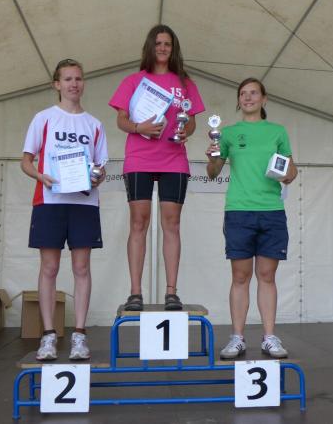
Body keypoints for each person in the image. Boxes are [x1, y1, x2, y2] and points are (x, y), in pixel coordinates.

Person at [109, 24, 205, 311]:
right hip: (139, 157)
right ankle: (135, 293)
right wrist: (139, 127)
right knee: (138, 223)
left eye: (167, 44)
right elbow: (121, 119)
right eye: (158, 43)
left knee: (171, 224)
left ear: (173, 49)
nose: (162, 48)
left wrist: (186, 130)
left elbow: (192, 120)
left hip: (173, 159)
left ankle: (171, 292)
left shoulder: (185, 83)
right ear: (150, 47)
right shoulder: (133, 80)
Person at [21, 59, 108, 361]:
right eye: (68, 79)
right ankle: (48, 336)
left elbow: (100, 169)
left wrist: (97, 177)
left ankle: (79, 336)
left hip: (84, 203)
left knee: (82, 268)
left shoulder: (94, 124)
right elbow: (26, 161)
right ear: (56, 84)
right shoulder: (44, 118)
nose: (74, 84)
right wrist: (40, 176)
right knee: (49, 268)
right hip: (50, 201)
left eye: (78, 79)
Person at [205, 78, 297, 359]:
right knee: (240, 276)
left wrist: (285, 173)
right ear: (238, 100)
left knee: (267, 276)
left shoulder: (277, 131)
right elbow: (213, 172)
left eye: (253, 93)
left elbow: (291, 173)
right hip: (239, 211)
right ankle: (237, 338)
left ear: (264, 99)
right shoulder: (227, 134)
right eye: (243, 94)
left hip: (271, 211)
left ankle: (269, 338)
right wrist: (213, 156)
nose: (248, 97)